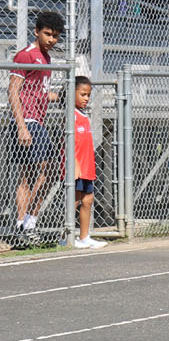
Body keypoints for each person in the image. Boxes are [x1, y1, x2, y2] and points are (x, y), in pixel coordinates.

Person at [7, 12, 64, 247]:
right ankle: (23, 225)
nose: (51, 39)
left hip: (38, 120)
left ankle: (29, 223)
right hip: (26, 122)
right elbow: (13, 90)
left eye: (55, 36)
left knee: (47, 171)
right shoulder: (26, 55)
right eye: (47, 34)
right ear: (37, 32)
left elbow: (39, 92)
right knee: (32, 174)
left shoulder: (46, 58)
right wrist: (21, 127)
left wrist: (58, 96)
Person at [70, 77, 106, 249]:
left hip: (87, 166)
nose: (86, 98)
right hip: (76, 166)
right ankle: (68, 236)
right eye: (82, 94)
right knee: (75, 199)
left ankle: (84, 236)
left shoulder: (84, 115)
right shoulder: (71, 114)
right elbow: (69, 142)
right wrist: (75, 163)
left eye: (88, 95)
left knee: (88, 199)